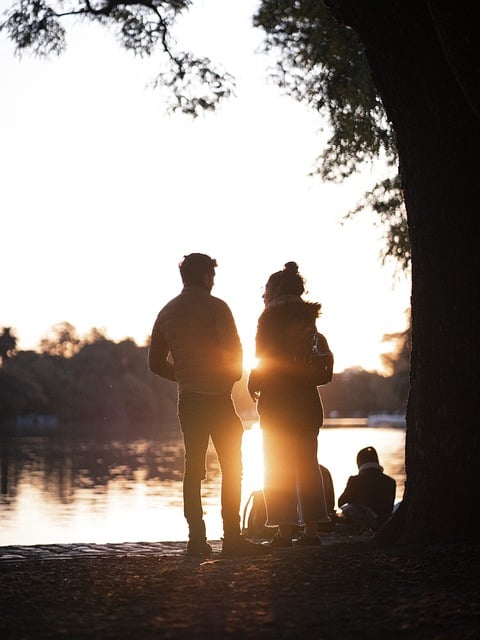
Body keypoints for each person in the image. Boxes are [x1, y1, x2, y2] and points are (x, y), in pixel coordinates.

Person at [148, 253, 269, 558]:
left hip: (188, 401)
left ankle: (196, 540)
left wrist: (185, 376)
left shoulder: (166, 312)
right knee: (232, 467)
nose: (214, 281)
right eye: (212, 275)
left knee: (193, 469)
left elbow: (154, 363)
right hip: (217, 399)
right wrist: (225, 378)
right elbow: (235, 357)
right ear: (204, 276)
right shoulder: (218, 308)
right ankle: (232, 538)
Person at [248, 261, 332, 547]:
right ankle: (311, 531)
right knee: (308, 466)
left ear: (277, 289)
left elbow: (265, 358)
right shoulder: (308, 316)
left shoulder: (268, 318)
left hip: (277, 406)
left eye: (267, 288)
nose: (264, 294)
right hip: (307, 404)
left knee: (277, 466)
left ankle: (284, 532)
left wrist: (254, 379)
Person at [337, 446, 396, 533]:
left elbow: (340, 502)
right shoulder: (390, 481)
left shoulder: (355, 480)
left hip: (367, 524)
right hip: (384, 523)